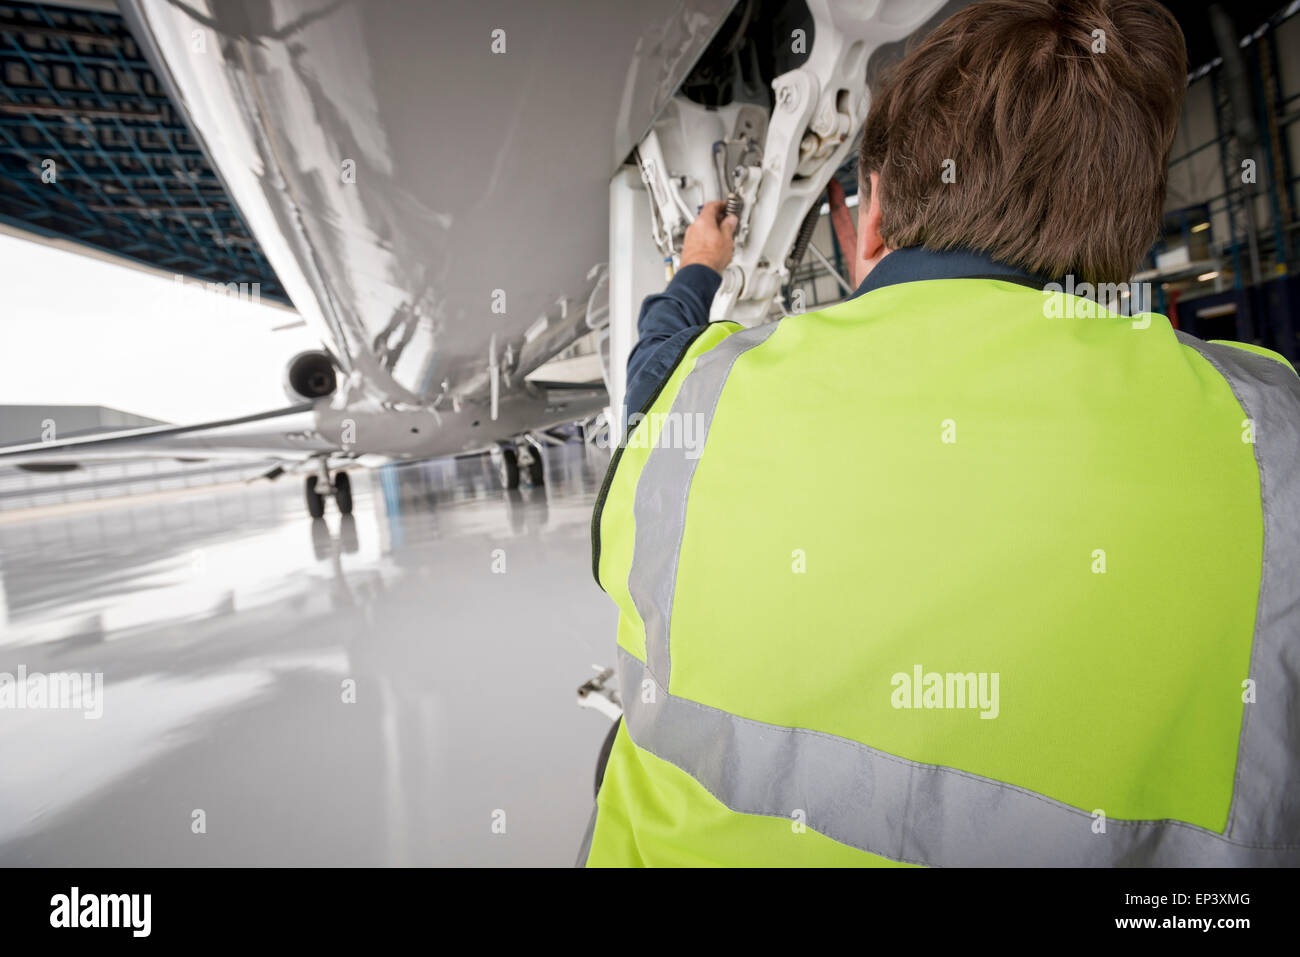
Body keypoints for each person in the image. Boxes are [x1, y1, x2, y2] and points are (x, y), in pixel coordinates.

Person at [581, 0, 1300, 866]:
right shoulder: (1266, 431)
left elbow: (651, 379)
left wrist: (698, 267)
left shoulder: (705, 392)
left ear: (870, 214)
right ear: (1118, 241)